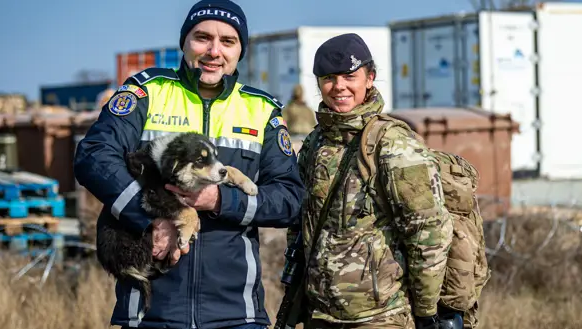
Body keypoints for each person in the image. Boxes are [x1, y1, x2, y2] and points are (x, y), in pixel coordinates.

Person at [73, 0, 305, 328]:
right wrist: (150, 220)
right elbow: (93, 156)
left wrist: (221, 200)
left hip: (237, 316)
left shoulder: (262, 110)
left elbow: (290, 201)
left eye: (228, 41)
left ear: (241, 50)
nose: (214, 50)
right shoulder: (147, 92)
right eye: (202, 37)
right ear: (184, 42)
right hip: (150, 312)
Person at [286, 33, 454, 329]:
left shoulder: (393, 144)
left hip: (380, 317)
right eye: (328, 78)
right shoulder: (315, 143)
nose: (339, 87)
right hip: (320, 314)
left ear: (370, 77)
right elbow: (301, 224)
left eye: (350, 76)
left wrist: (426, 311)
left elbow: (428, 232)